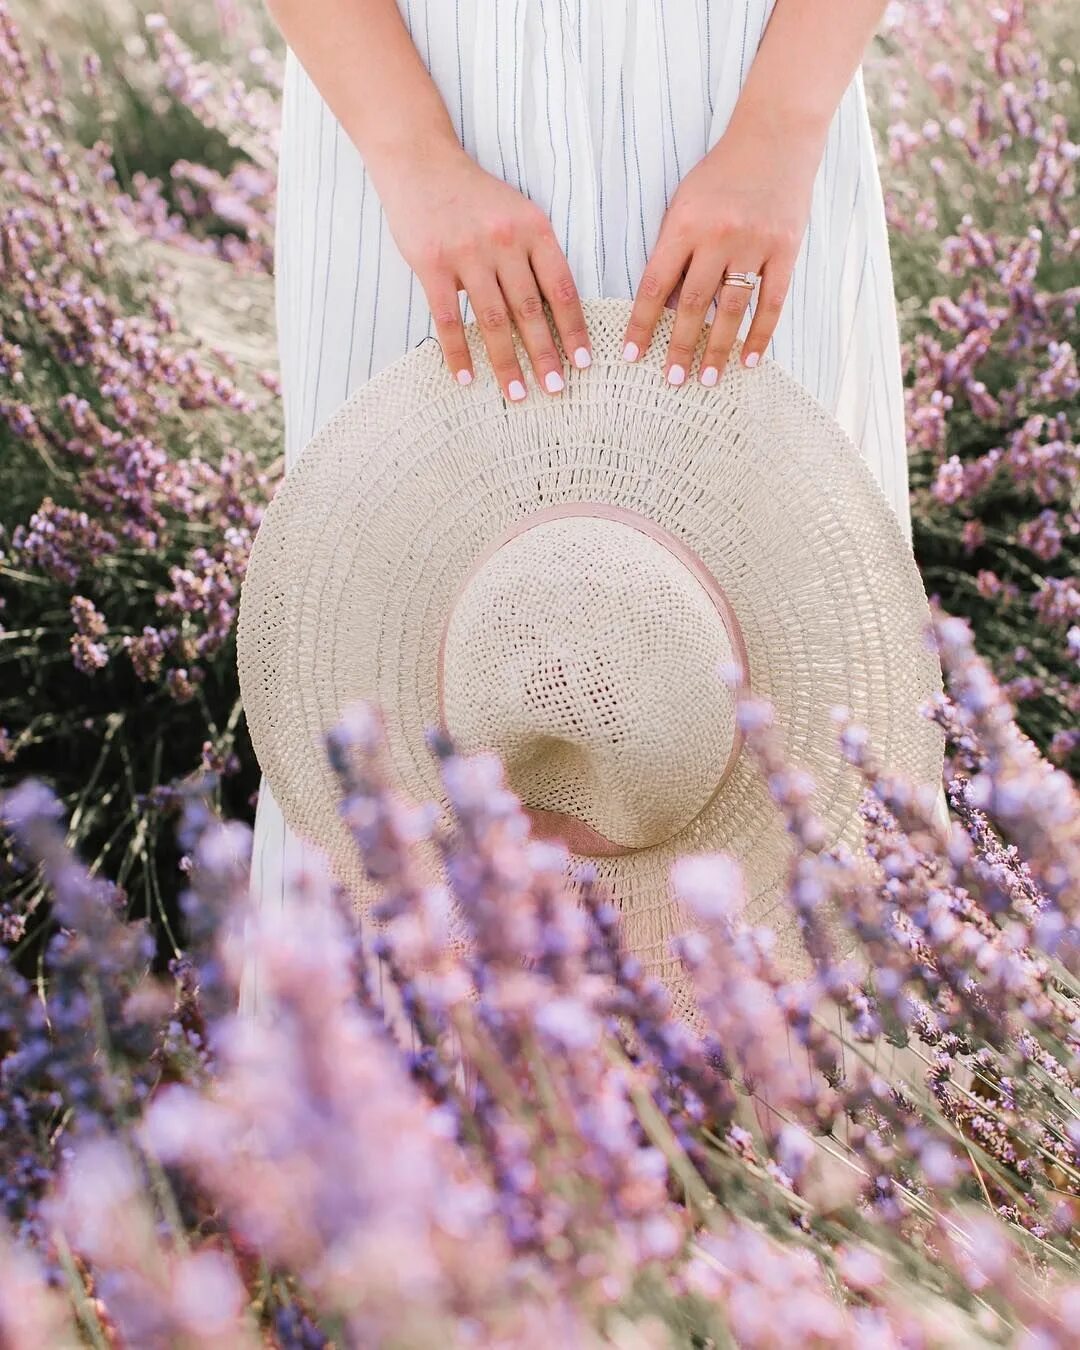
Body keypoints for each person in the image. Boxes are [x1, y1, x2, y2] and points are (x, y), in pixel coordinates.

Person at [243, 0, 914, 1074]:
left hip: (740, 96)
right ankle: (400, 1157)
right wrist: (412, 150)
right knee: (403, 664)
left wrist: (783, 130)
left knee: (773, 669)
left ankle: (786, 1165)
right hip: (407, 107)